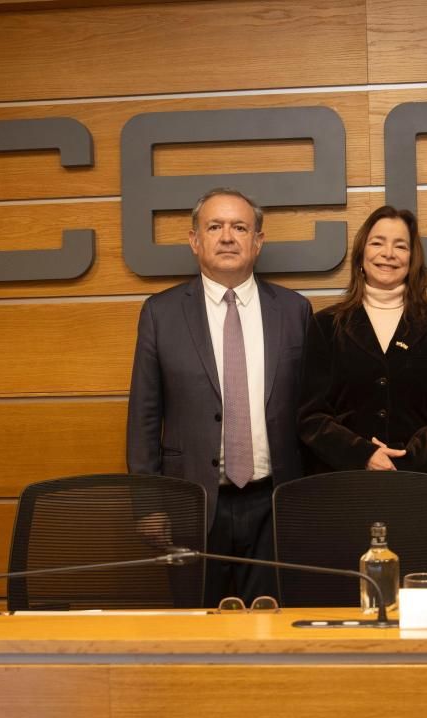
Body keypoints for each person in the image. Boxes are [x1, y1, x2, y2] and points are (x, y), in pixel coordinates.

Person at [126, 187, 311, 606]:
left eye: (240, 227)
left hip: (274, 504)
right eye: (214, 227)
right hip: (191, 505)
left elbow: (309, 412)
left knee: (272, 626)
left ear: (258, 241)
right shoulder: (161, 313)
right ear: (195, 240)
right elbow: (144, 417)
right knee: (194, 627)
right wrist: (148, 506)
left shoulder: (294, 310)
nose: (227, 237)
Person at [299, 206, 427, 473]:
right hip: (345, 481)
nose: (388, 253)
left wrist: (405, 458)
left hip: (420, 479)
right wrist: (363, 455)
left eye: (400, 246)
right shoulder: (326, 325)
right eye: (377, 243)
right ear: (361, 254)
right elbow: (311, 416)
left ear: (412, 258)